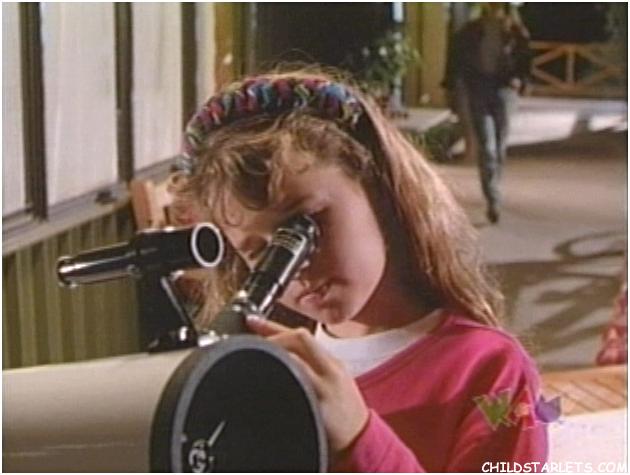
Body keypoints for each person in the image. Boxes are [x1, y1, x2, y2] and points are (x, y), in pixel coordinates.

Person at [171, 70, 548, 472]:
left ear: (380, 190)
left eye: (303, 227)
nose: (294, 268)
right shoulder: (264, 370)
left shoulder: (491, 372)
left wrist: (359, 438)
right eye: (258, 251)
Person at [443, 3, 531, 224]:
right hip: (479, 88)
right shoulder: (470, 30)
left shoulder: (515, 32)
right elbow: (455, 58)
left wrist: (521, 80)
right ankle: (493, 198)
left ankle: (494, 188)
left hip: (504, 91)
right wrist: (450, 85)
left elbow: (526, 61)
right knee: (487, 146)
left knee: (499, 146)